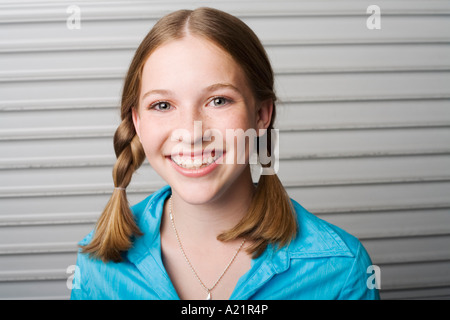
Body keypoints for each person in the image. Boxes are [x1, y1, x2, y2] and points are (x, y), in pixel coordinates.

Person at [70, 7, 380, 300]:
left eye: (218, 100)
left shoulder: (341, 268)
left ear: (261, 114)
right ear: (137, 121)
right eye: (162, 105)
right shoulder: (97, 266)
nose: (191, 134)